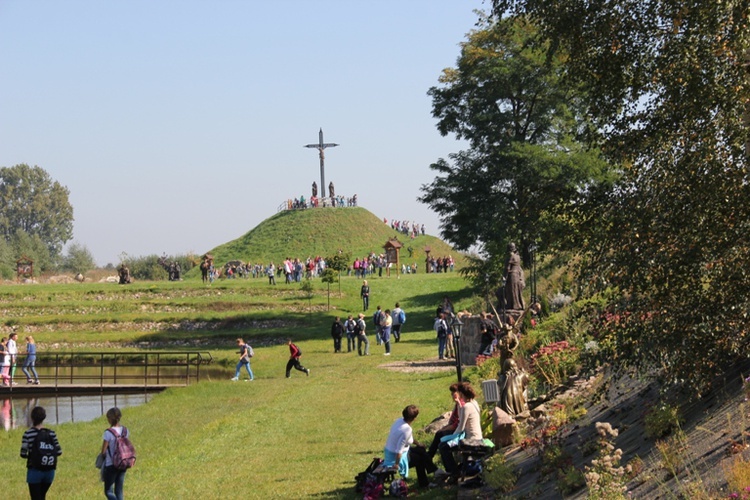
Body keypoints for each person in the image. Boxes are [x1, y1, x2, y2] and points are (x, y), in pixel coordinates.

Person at [383, 405, 438, 489]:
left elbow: (409, 439)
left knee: (421, 450)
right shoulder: (407, 429)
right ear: (414, 418)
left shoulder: (399, 421)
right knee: (419, 459)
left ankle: (435, 471)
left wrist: (418, 444)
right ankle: (425, 483)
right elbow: (399, 450)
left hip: (391, 451)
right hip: (394, 458)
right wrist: (397, 465)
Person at [438, 382, 483, 477]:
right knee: (444, 445)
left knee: (443, 446)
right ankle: (454, 471)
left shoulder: (467, 406)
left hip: (471, 440)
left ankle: (454, 473)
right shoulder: (474, 403)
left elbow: (461, 427)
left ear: (462, 393)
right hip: (477, 437)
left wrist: (451, 438)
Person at [20, 406, 62, 500]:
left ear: (32, 417)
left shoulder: (28, 434)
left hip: (34, 471)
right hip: (49, 472)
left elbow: (23, 453)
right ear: (44, 417)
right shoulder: (51, 433)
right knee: (42, 496)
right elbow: (59, 452)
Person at [427, 384, 464, 459]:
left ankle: (429, 456)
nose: (452, 395)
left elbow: (457, 424)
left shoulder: (461, 404)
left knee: (441, 437)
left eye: (454, 392)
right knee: (439, 434)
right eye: (452, 393)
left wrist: (444, 429)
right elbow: (453, 421)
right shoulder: (457, 404)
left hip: (459, 432)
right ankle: (429, 456)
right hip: (455, 429)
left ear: (459, 393)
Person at [101, 407, 129, 500]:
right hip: (123, 462)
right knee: (119, 490)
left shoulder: (108, 433)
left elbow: (103, 451)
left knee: (108, 491)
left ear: (110, 418)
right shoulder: (125, 430)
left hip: (111, 464)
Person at [502, 243, 525, 310]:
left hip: (512, 275)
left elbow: (507, 268)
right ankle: (518, 304)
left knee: (512, 290)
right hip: (517, 275)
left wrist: (504, 277)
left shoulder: (511, 257)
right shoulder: (518, 257)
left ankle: (513, 305)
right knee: (516, 290)